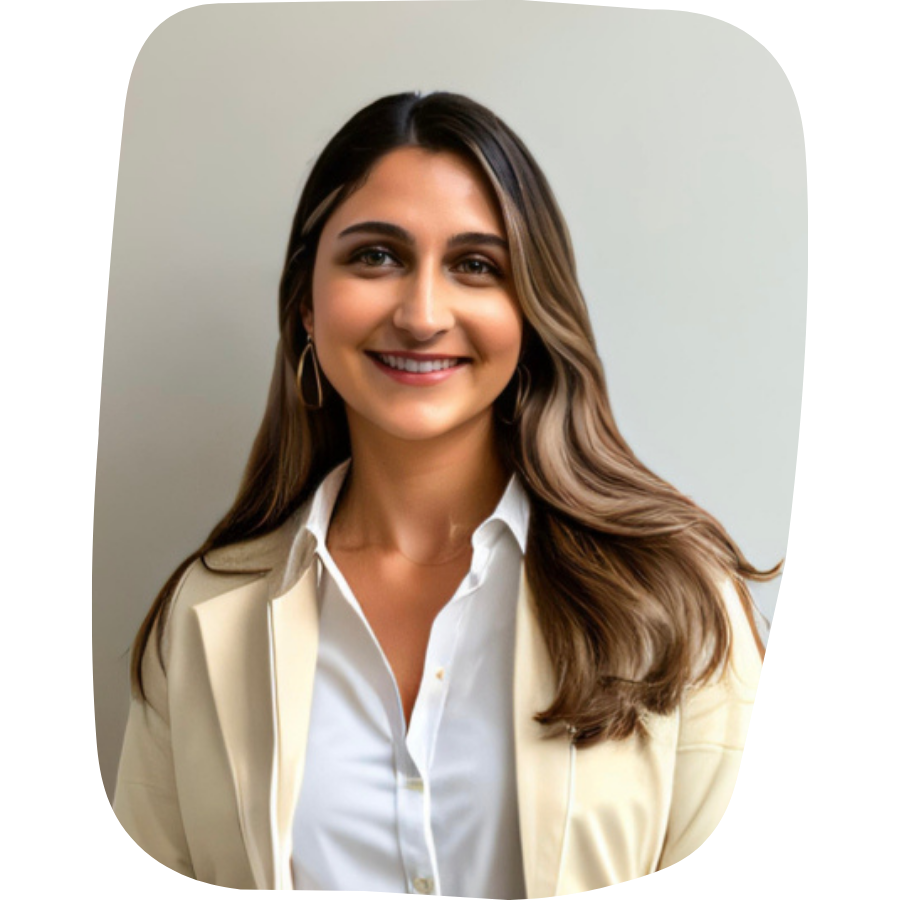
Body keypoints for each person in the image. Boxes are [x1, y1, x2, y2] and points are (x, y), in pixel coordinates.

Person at [112, 90, 780, 899]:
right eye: (375, 256)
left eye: (476, 266)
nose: (423, 315)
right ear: (306, 305)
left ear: (530, 309)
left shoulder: (674, 603)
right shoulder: (206, 614)